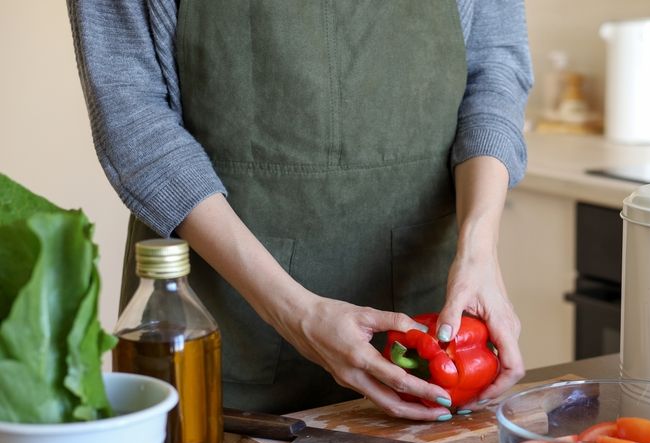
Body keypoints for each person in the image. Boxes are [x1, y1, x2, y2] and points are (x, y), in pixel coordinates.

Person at [67, 0, 533, 420]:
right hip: (221, 330)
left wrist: (479, 248)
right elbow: (131, 114)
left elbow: (494, 71)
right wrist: (295, 312)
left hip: (427, 340)